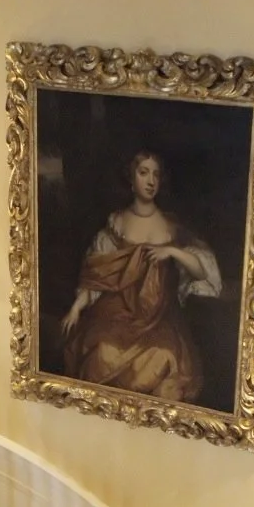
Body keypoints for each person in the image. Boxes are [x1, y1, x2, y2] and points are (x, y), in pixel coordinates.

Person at [61, 151, 222, 403]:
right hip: (117, 311)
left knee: (165, 355)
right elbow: (99, 275)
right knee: (103, 349)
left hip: (159, 315)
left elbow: (200, 271)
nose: (151, 181)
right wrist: (76, 308)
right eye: (144, 172)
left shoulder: (170, 226)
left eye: (156, 174)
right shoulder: (117, 223)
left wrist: (172, 251)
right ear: (131, 178)